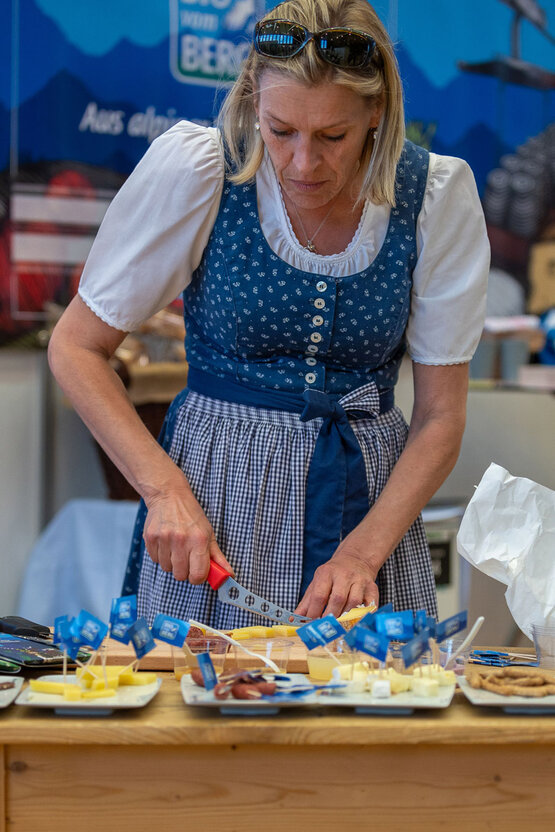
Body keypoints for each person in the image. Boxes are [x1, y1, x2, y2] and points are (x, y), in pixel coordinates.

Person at [48, 0, 489, 630]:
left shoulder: (433, 197)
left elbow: (442, 415)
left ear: (376, 113)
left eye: (333, 136)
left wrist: (364, 549)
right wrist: (164, 491)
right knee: (197, 709)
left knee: (367, 710)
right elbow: (75, 348)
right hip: (213, 504)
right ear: (255, 101)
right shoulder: (202, 172)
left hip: (365, 513)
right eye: (281, 132)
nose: (303, 164)